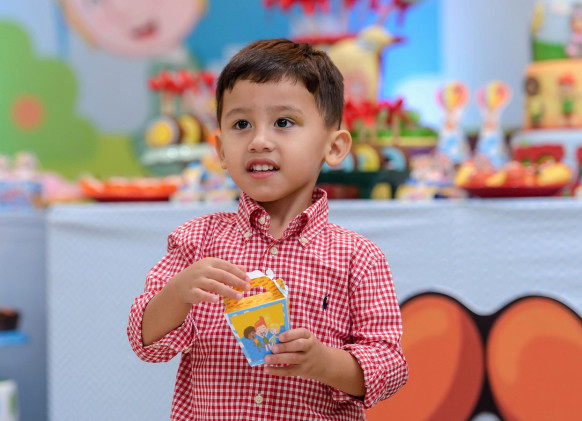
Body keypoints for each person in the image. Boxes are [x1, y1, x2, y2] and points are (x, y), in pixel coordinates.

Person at [127, 38, 408, 420]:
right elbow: (145, 341)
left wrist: (324, 363)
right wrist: (177, 293)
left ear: (334, 147)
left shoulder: (358, 258)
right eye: (241, 124)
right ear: (220, 149)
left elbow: (389, 366)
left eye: (283, 122)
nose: (259, 141)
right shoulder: (195, 242)